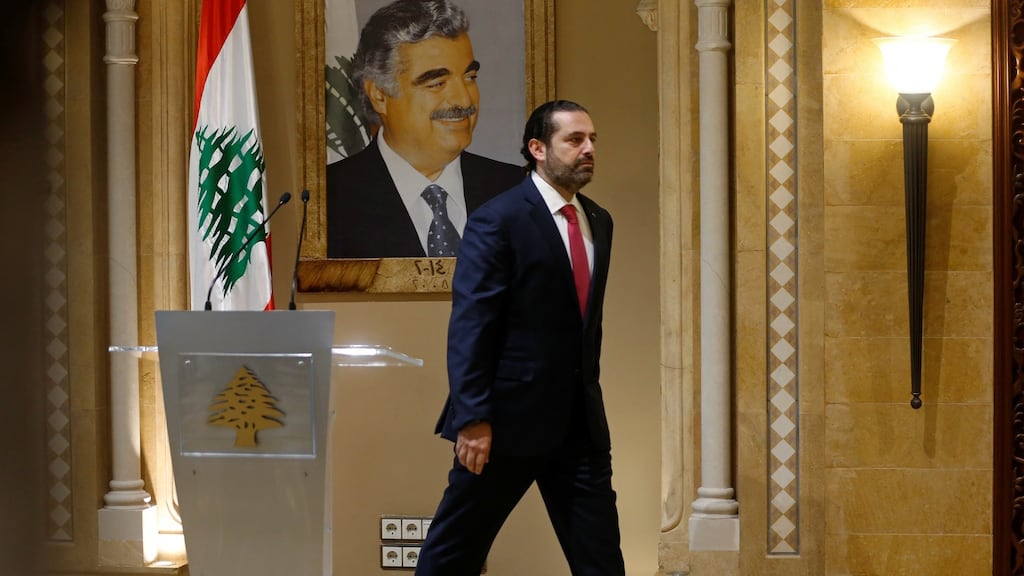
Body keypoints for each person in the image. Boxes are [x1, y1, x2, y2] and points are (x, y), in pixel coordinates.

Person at [415, 100, 625, 575]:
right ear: (537, 148)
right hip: (503, 425)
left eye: (592, 140)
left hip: (580, 427)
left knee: (601, 561)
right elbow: (472, 325)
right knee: (453, 555)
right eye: (574, 140)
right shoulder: (499, 219)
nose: (588, 149)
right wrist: (472, 418)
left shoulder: (600, 221)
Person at [326, 0, 523, 259]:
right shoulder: (329, 199)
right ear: (380, 95)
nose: (464, 100)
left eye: (469, 78)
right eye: (437, 83)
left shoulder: (519, 191)